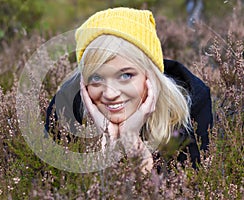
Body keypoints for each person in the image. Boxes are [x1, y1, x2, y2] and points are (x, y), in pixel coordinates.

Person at [45, 7, 213, 173]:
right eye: (96, 78)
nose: (110, 94)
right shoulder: (66, 107)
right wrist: (107, 148)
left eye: (125, 76)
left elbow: (187, 189)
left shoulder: (191, 108)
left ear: (151, 75)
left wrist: (133, 144)